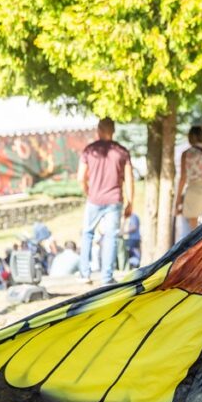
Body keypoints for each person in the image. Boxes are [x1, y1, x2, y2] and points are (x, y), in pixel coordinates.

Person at [77, 118, 133, 284]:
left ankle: (84, 274)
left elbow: (80, 177)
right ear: (113, 131)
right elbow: (129, 179)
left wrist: (87, 191)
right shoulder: (122, 151)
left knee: (87, 233)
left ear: (99, 130)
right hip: (114, 200)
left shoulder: (89, 151)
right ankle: (107, 277)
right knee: (111, 236)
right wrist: (130, 202)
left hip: (94, 199)